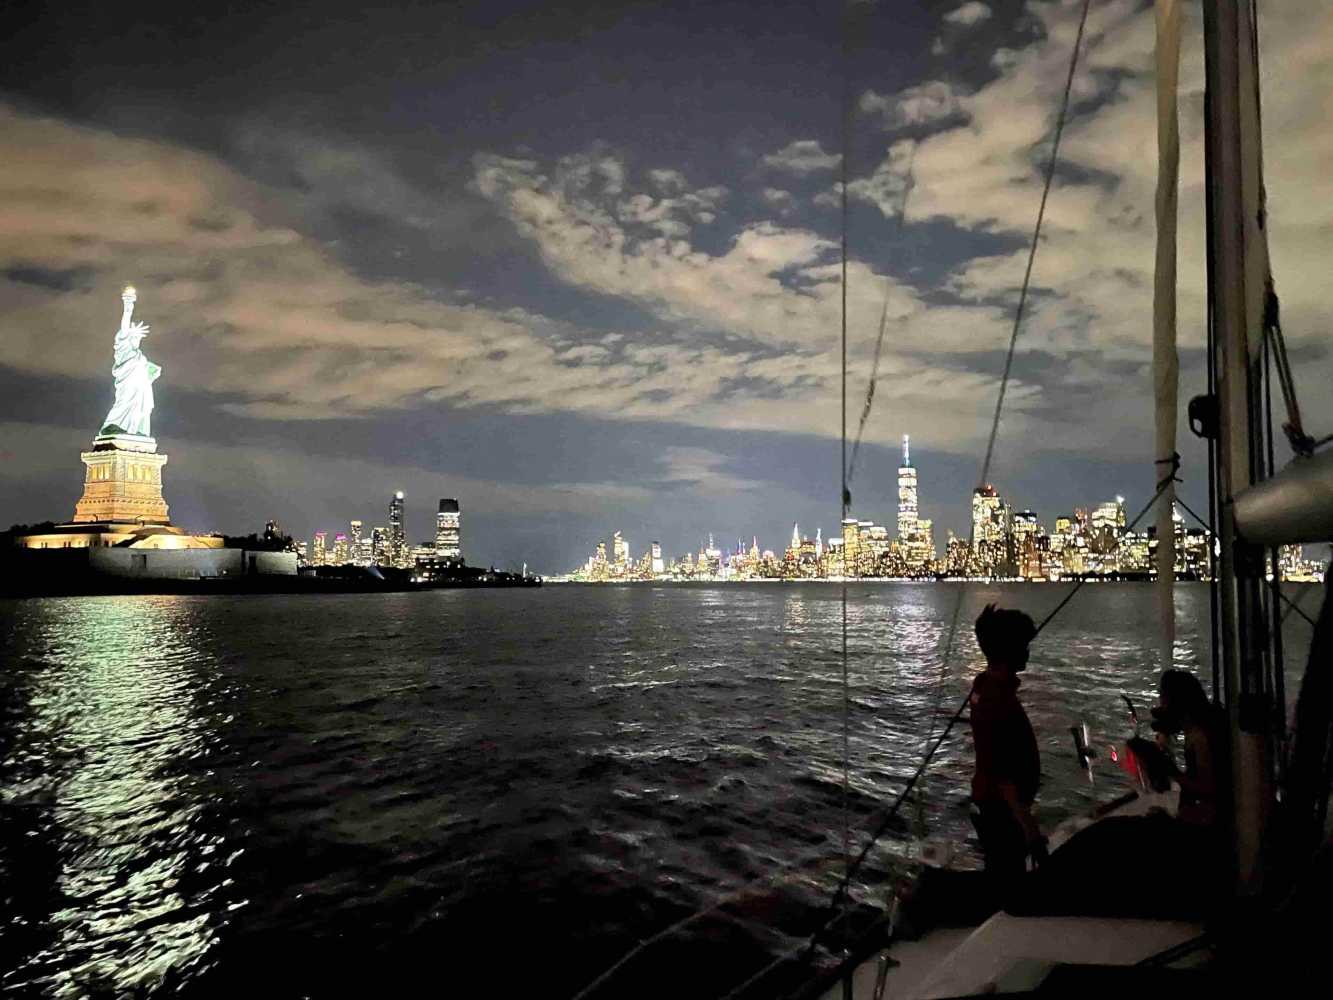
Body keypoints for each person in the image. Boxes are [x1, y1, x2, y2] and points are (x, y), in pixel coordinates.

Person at [968, 604, 1043, 904]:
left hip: (992, 805)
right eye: (1023, 645)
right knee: (1008, 890)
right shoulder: (998, 700)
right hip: (1002, 812)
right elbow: (1003, 776)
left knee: (998, 877)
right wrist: (1030, 829)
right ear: (1010, 651)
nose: (1027, 652)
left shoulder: (985, 685)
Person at [1152, 669, 1225, 827]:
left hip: (1202, 823)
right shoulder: (1197, 731)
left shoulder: (1199, 738)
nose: (1161, 704)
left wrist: (1172, 771)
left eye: (1163, 698)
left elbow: (1207, 788)